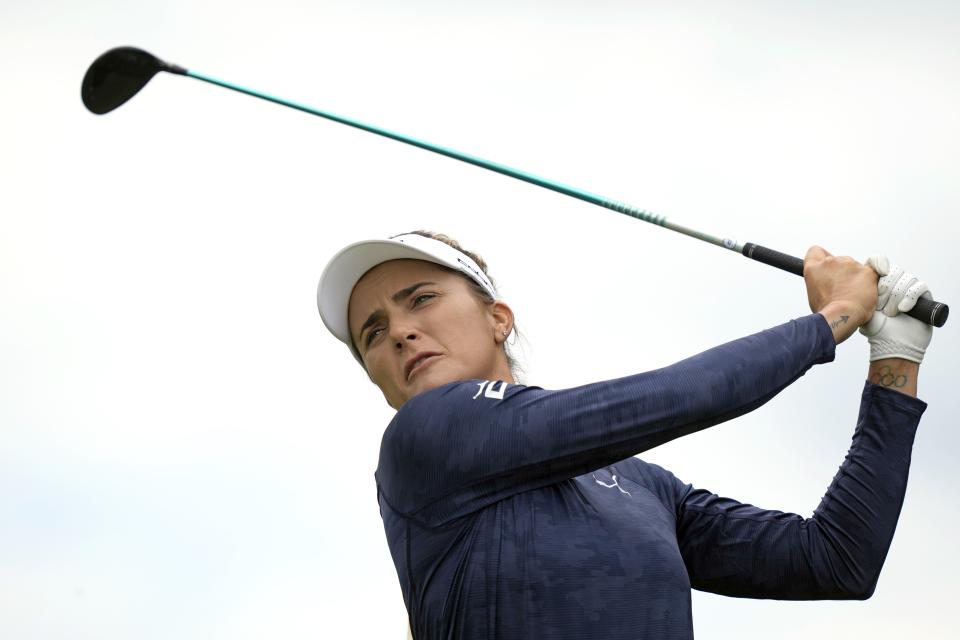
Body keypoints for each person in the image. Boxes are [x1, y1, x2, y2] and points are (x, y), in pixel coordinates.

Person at [316, 231, 932, 640]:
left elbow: (833, 561)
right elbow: (683, 394)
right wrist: (833, 319)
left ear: (499, 320)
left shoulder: (640, 486)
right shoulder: (422, 437)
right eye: (373, 333)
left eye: (420, 299)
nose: (399, 332)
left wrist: (894, 363)